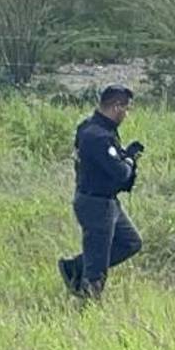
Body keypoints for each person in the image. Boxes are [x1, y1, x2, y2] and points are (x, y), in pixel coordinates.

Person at [58, 84, 145, 299]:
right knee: (97, 265)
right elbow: (120, 173)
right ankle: (89, 305)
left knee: (130, 242)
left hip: (108, 201)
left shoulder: (95, 129)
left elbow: (109, 163)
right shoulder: (96, 135)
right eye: (125, 109)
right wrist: (129, 160)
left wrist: (123, 155)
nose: (126, 114)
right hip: (95, 203)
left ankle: (75, 268)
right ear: (116, 107)